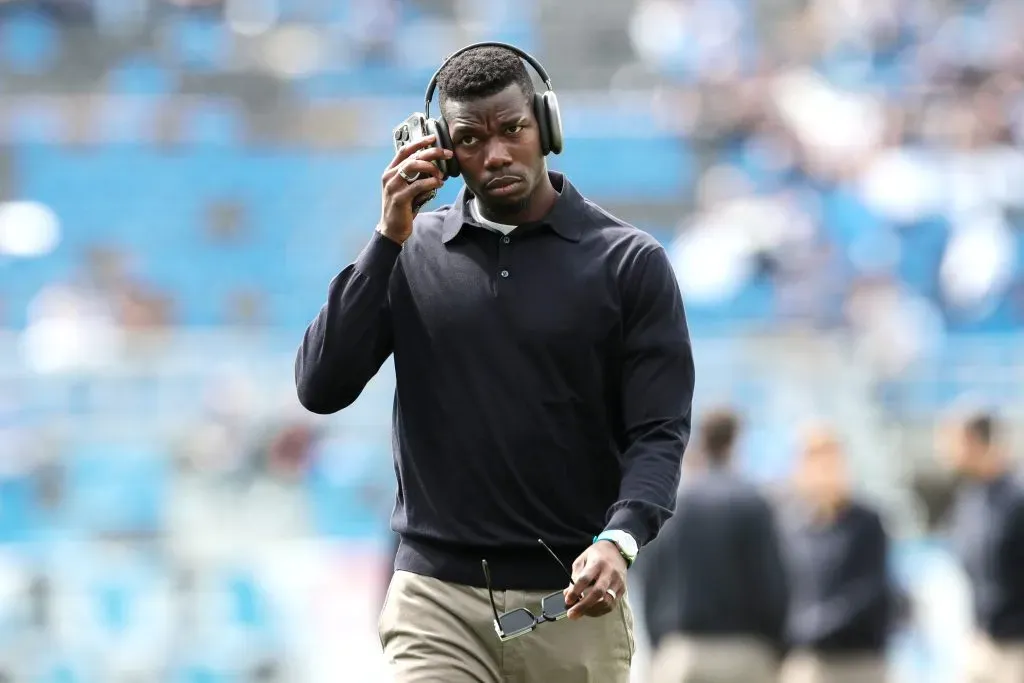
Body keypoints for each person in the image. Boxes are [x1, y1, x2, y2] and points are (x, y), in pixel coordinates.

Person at [294, 43, 695, 682]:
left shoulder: (628, 262)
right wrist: (386, 238)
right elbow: (320, 385)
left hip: (569, 602)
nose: (497, 153)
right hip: (436, 599)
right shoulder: (407, 252)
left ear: (547, 125)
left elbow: (658, 432)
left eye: (513, 129)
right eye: (472, 139)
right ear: (442, 151)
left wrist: (620, 540)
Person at [638, 408, 789, 683]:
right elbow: (772, 583)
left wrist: (659, 647)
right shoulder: (754, 502)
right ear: (736, 441)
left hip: (683, 653)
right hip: (745, 654)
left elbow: (651, 580)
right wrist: (779, 646)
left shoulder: (673, 505)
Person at [779, 423, 894, 683]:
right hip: (808, 662)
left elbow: (869, 590)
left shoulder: (867, 522)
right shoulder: (791, 525)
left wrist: (813, 627)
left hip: (858, 664)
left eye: (830, 463)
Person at [940, 411, 1024, 683]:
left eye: (953, 441)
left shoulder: (1016, 499)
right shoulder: (969, 499)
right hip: (980, 643)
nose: (946, 451)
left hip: (1016, 649)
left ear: (974, 442)